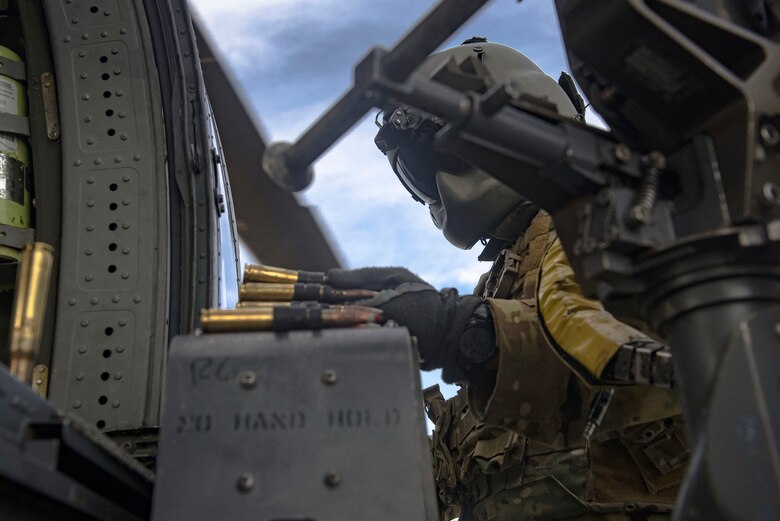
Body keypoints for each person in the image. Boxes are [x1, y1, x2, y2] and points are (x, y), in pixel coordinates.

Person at [326, 39, 688, 520]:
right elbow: (454, 474)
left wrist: (472, 335)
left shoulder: (635, 220)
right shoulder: (506, 283)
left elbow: (657, 363)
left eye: (425, 162)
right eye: (414, 176)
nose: (429, 190)